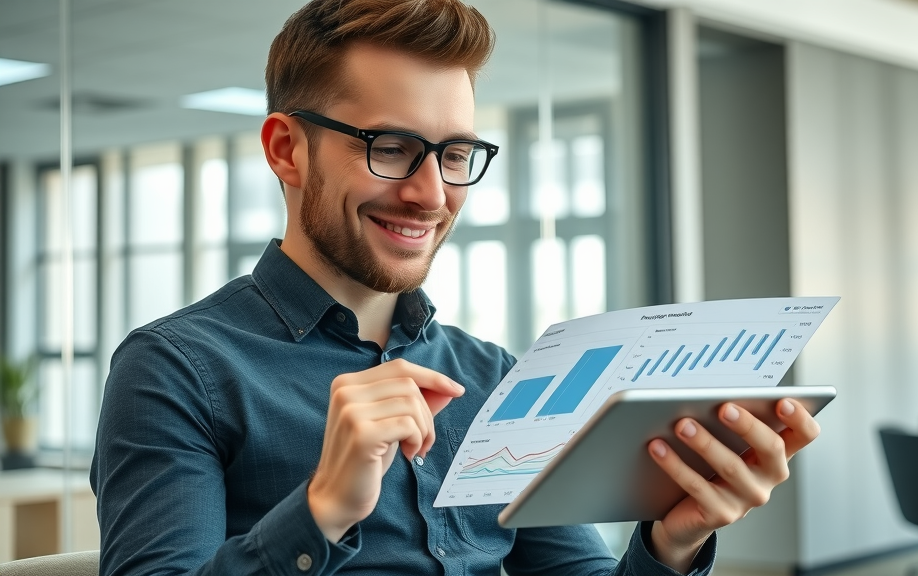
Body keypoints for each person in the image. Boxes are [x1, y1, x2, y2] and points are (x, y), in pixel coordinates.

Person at [90, 0, 821, 574]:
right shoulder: (173, 370)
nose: (431, 194)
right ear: (288, 149)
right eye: (392, 148)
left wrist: (672, 541)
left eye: (456, 153)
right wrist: (321, 510)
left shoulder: (498, 378)